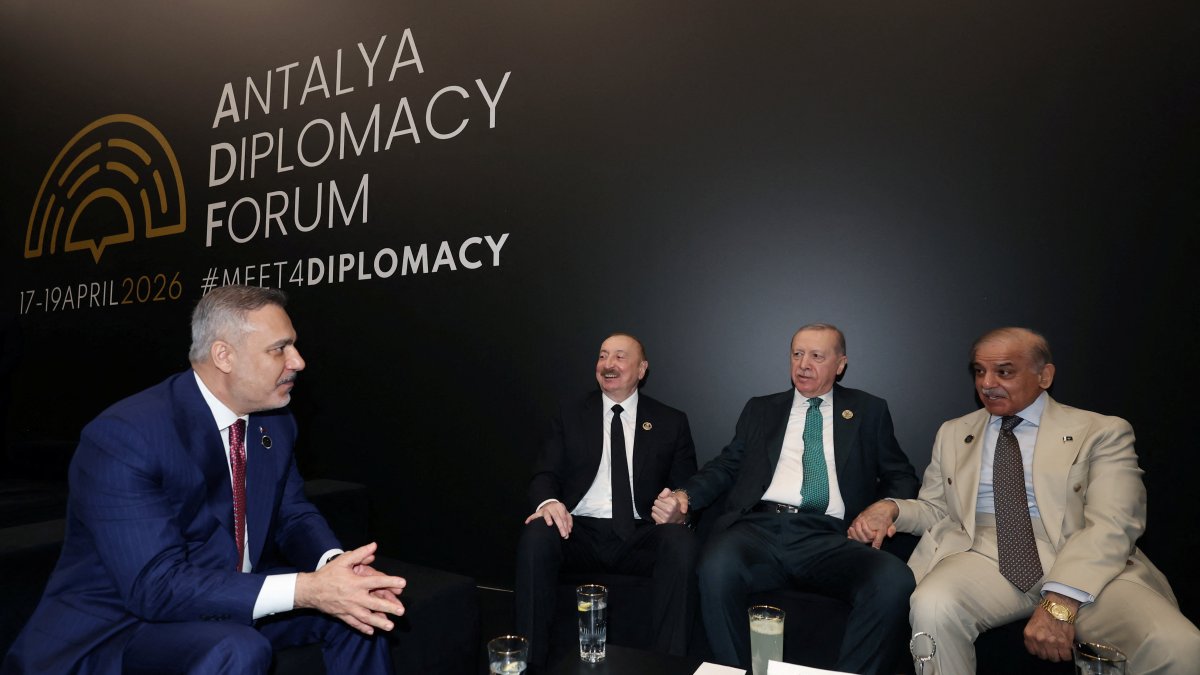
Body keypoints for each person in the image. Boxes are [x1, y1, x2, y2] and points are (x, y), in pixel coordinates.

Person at [2, 285, 406, 675]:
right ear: (224, 356)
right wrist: (307, 590)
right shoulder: (126, 436)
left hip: (228, 595)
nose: (298, 361)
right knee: (237, 648)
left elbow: (292, 513)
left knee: (357, 613)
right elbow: (154, 588)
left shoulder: (275, 421)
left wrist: (335, 569)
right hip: (125, 623)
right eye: (279, 348)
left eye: (293, 345)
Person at [850, 327, 1200, 674]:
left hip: (1079, 552)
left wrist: (1061, 601)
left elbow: (1114, 522)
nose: (987, 383)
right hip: (981, 551)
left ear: (1044, 375)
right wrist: (892, 507)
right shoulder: (954, 432)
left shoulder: (1100, 431)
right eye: (979, 371)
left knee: (1179, 646)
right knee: (933, 604)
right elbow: (937, 509)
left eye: (1004, 372)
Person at [659, 323, 919, 673]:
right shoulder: (761, 409)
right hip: (758, 530)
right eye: (797, 354)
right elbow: (726, 465)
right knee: (715, 566)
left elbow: (900, 474)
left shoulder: (868, 410)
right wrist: (685, 495)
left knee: (893, 579)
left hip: (829, 536)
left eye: (816, 356)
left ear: (840, 364)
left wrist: (886, 507)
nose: (803, 364)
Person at [515, 332, 698, 668]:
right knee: (537, 533)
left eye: (619, 356)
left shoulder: (671, 421)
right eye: (603, 356)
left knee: (680, 541)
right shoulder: (570, 414)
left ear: (642, 369)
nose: (608, 364)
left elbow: (686, 486)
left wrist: (678, 508)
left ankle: (670, 664)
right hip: (578, 530)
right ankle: (531, 664)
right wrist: (549, 502)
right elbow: (544, 473)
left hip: (640, 533)